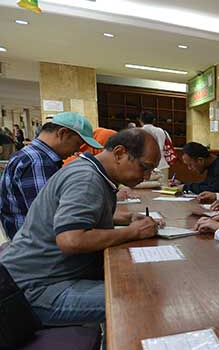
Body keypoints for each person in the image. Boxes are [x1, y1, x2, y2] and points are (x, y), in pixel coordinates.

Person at [0, 129, 162, 325]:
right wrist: (134, 232)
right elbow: (71, 240)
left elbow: (78, 214)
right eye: (144, 167)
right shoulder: (87, 179)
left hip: (39, 277)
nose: (146, 176)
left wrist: (126, 218)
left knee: (133, 280)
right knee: (139, 298)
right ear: (119, 153)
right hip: (36, 288)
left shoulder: (88, 171)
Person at [0, 112, 101, 239]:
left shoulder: (32, 155)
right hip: (36, 246)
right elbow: (48, 216)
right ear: (62, 133)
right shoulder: (38, 161)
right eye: (77, 143)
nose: (76, 151)